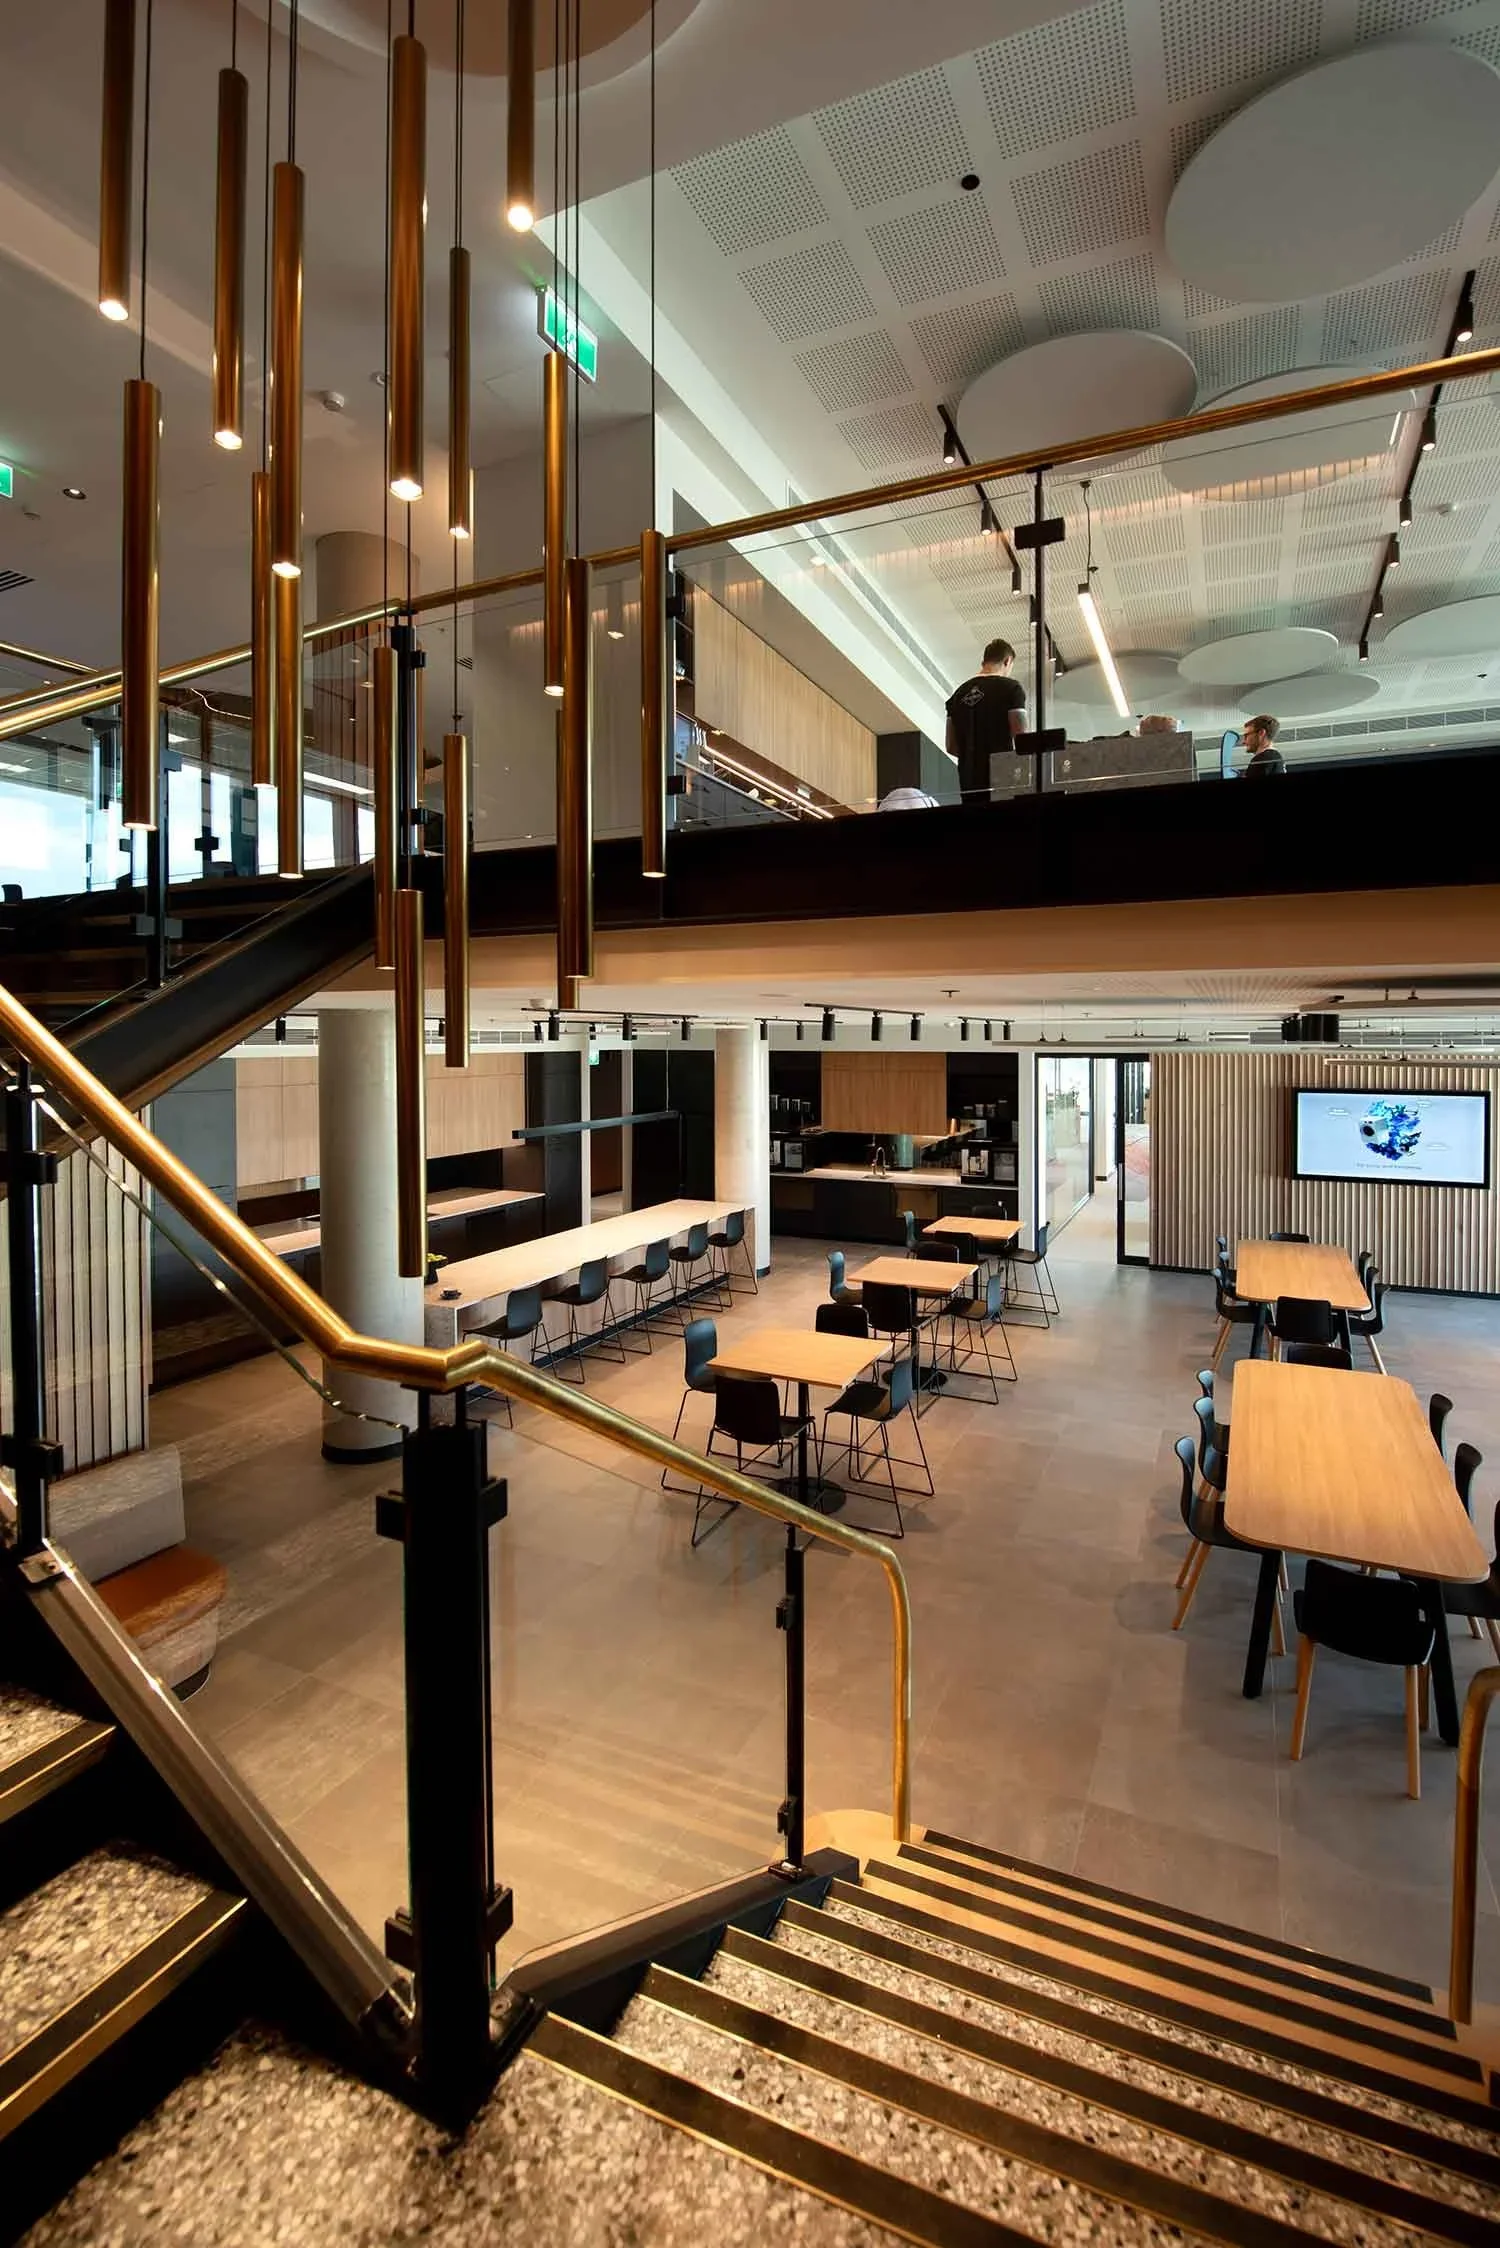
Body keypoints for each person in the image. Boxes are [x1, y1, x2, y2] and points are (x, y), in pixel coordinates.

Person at [945, 638, 1027, 805]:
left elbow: (951, 746)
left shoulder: (956, 697)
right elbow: (1023, 739)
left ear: (984, 661)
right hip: (1002, 779)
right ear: (1007, 661)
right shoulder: (1011, 688)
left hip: (968, 784)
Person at [1240, 713, 1285, 780]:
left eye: (1246, 735)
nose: (1243, 742)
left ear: (1261, 733)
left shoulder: (1262, 759)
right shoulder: (1276, 757)